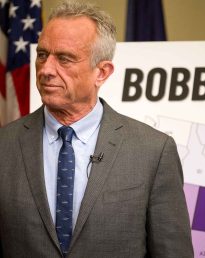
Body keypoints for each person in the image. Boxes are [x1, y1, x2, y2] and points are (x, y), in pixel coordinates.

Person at [0, 1, 193, 257]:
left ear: (102, 72)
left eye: (64, 58)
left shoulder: (153, 151)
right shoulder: (5, 145)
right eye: (43, 55)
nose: (46, 70)